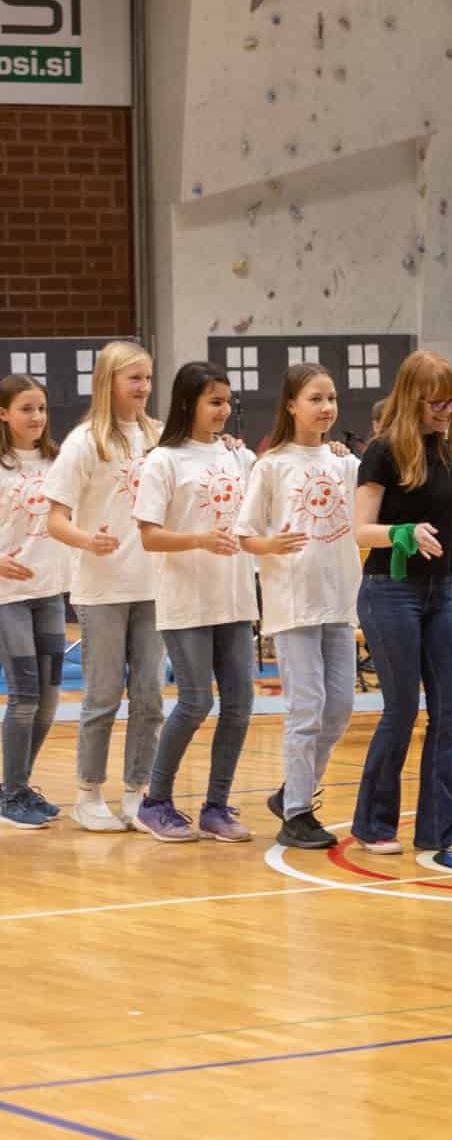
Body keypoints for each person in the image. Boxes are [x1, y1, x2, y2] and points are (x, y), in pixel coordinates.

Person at [351, 350, 452, 855]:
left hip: (440, 592)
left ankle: (442, 827)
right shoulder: (382, 452)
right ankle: (373, 823)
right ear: (412, 398)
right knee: (402, 708)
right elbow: (360, 530)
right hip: (390, 591)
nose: (448, 410)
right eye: (437, 402)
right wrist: (401, 532)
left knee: (449, 711)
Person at [235, 363, 362, 851]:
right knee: (306, 709)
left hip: (339, 600)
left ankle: (294, 790)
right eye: (315, 399)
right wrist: (271, 546)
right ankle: (297, 814)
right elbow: (246, 535)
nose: (326, 407)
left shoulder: (346, 464)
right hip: (293, 603)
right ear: (291, 405)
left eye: (331, 398)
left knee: (340, 709)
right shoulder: (270, 466)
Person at [131, 361, 258, 843]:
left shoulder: (239, 457)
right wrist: (200, 540)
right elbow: (149, 536)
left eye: (227, 402)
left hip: (235, 598)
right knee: (196, 700)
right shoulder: (163, 461)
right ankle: (155, 802)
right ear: (188, 403)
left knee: (240, 704)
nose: (224, 410)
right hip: (186, 601)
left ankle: (216, 808)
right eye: (214, 402)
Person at [45, 341, 161, 833]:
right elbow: (55, 519)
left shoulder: (160, 437)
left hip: (154, 587)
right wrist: (87, 540)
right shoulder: (84, 442)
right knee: (103, 696)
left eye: (148, 378)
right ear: (108, 382)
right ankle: (88, 793)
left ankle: (137, 793)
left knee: (150, 697)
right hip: (102, 589)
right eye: (134, 378)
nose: (143, 387)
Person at [0, 375, 69, 829]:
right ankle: (11, 795)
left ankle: (18, 786)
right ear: (3, 413)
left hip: (50, 594)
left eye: (41, 408)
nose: (36, 417)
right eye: (26, 408)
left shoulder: (59, 461)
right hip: (9, 599)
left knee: (48, 700)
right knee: (24, 696)